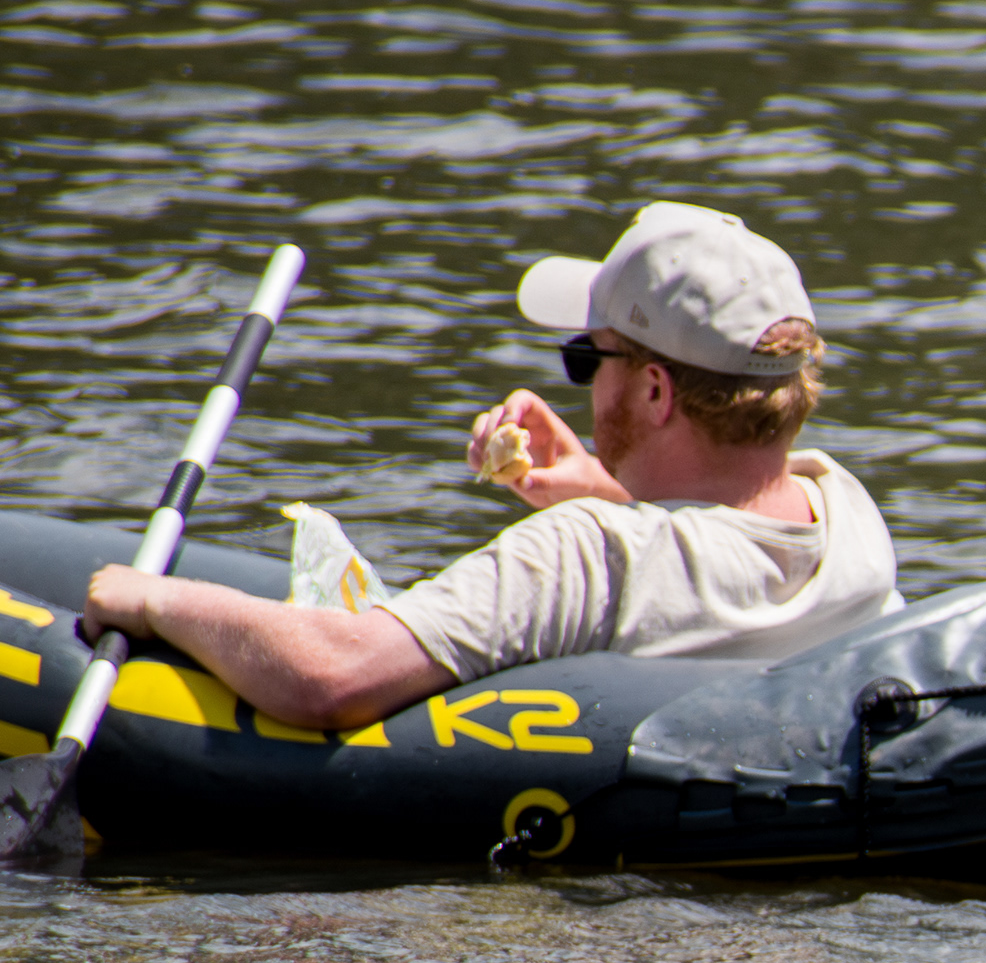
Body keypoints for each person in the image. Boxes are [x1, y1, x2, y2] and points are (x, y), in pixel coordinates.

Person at [83, 203, 896, 730]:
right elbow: (722, 554)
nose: (581, 380)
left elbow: (332, 677)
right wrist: (608, 484)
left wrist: (155, 597)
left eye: (590, 357)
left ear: (654, 389)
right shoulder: (849, 516)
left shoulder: (591, 552)